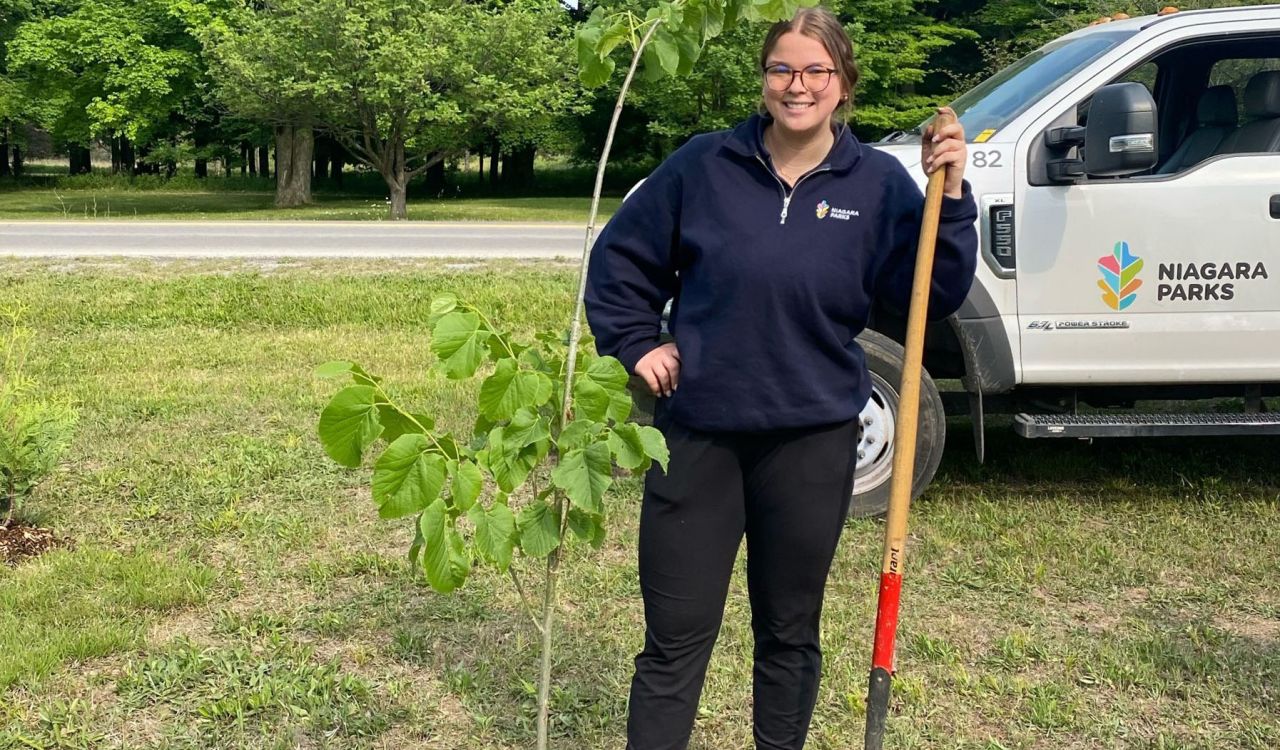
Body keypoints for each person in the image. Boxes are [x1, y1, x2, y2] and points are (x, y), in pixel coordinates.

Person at [584, 6, 977, 749]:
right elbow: (620, 262)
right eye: (781, 69)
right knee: (674, 638)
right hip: (700, 434)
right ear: (764, 78)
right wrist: (638, 343)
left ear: (842, 83)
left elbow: (928, 292)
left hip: (812, 439)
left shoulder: (880, 184)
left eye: (816, 70)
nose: (798, 85)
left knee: (789, 633)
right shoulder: (704, 165)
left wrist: (950, 199)